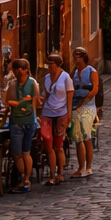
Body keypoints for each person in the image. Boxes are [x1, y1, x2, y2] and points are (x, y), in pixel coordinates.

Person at [37, 54, 73, 186]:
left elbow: (70, 97)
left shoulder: (65, 78)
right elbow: (45, 94)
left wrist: (69, 114)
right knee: (48, 145)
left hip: (61, 113)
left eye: (51, 64)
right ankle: (52, 174)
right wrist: (40, 102)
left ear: (57, 64)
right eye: (48, 64)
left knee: (58, 146)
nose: (49, 67)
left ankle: (60, 173)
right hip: (47, 112)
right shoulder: (47, 77)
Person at [4, 59, 38, 192]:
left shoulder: (13, 85)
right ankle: (27, 179)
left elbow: (8, 102)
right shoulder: (34, 83)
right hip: (30, 120)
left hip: (18, 121)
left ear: (20, 70)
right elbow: (35, 104)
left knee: (17, 154)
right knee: (26, 152)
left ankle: (24, 178)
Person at [69, 48, 99, 177]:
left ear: (84, 57)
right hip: (75, 106)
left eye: (79, 56)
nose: (76, 59)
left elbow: (94, 90)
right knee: (78, 137)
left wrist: (84, 102)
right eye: (75, 56)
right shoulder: (74, 72)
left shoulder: (92, 71)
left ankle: (88, 167)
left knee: (86, 136)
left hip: (88, 106)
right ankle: (80, 167)